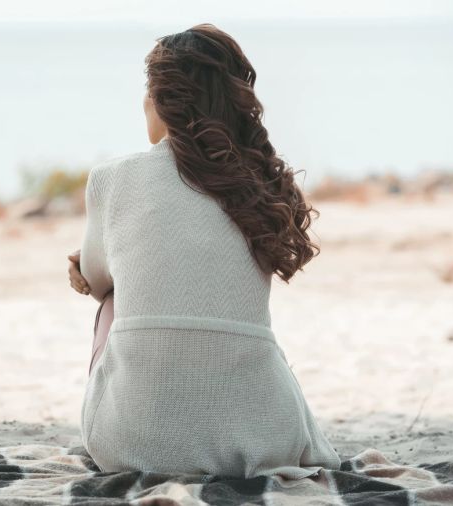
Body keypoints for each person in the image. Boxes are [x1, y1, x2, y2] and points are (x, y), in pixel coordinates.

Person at [65, 23, 342, 479]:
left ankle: (141, 412)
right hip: (263, 438)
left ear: (159, 98)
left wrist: (83, 267)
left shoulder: (112, 179)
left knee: (115, 301)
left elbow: (100, 284)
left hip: (129, 444)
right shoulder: (260, 184)